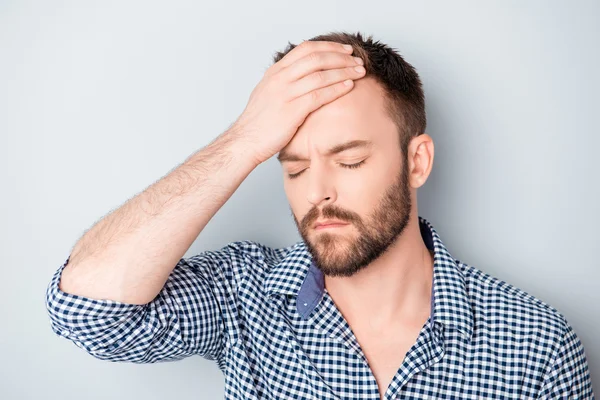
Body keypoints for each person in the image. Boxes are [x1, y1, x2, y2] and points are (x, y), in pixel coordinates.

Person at [45, 31, 595, 399]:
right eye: (293, 167)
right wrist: (243, 141)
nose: (318, 193)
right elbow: (86, 312)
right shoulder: (244, 297)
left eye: (350, 159)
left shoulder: (537, 345)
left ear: (417, 161)